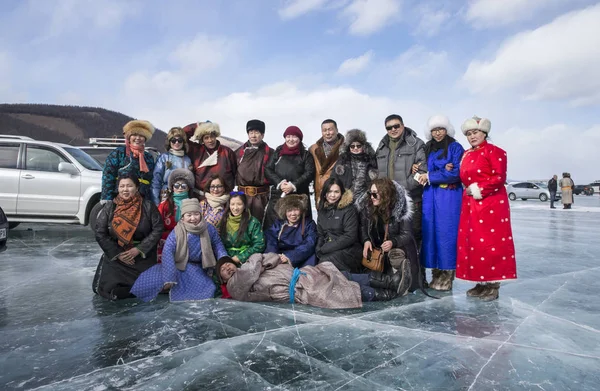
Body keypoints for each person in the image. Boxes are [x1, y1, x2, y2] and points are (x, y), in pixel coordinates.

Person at [456, 116, 517, 301]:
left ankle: (493, 284)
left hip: (491, 203)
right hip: (470, 204)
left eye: (475, 132)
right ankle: (480, 282)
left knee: (491, 243)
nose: (472, 136)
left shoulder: (495, 151)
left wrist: (478, 189)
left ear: (484, 133)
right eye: (468, 134)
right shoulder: (467, 154)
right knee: (474, 243)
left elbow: (499, 177)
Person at [216, 253, 412, 308]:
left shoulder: (247, 268)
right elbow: (253, 268)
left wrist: (260, 260)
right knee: (341, 291)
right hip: (301, 290)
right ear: (224, 280)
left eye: (227, 264)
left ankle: (391, 281)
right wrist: (255, 256)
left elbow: (273, 257)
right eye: (223, 270)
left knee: (342, 275)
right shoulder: (235, 286)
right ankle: (390, 293)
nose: (227, 267)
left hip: (303, 275)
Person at [130, 199, 228, 302]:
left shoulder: (209, 228)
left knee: (208, 289)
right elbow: (168, 251)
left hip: (201, 267)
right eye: (189, 215)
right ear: (183, 217)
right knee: (149, 281)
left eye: (196, 214)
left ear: (201, 214)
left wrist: (224, 261)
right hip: (180, 266)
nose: (193, 218)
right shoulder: (177, 231)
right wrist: (170, 276)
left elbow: (218, 245)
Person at [93, 173, 163, 300]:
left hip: (142, 256)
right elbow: (100, 232)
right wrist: (118, 254)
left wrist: (139, 249)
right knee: (110, 290)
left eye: (129, 186)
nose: (125, 189)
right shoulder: (110, 207)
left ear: (137, 187)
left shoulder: (148, 206)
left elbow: (158, 228)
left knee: (148, 286)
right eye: (122, 186)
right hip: (117, 256)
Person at [418, 116, 464, 291]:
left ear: (447, 130)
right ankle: (435, 272)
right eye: (434, 130)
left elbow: (457, 173)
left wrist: (432, 176)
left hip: (448, 196)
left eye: (440, 129)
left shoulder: (454, 147)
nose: (437, 133)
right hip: (430, 195)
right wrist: (418, 169)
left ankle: (447, 274)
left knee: (446, 233)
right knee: (430, 233)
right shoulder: (428, 148)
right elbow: (423, 170)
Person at [357, 177, 420, 292]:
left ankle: (403, 279)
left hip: (397, 249)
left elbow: (407, 234)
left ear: (385, 193)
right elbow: (363, 227)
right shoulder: (368, 206)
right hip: (378, 250)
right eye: (370, 193)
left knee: (395, 255)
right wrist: (366, 240)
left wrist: (393, 242)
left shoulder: (401, 208)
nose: (371, 197)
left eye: (375, 194)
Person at [263, 126, 316, 229]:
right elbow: (268, 169)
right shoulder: (278, 153)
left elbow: (309, 173)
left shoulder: (305, 155)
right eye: (288, 136)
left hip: (299, 196)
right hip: (278, 195)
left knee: (298, 226)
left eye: (294, 137)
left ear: (300, 139)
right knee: (273, 227)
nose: (291, 139)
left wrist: (294, 185)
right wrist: (279, 183)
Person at [101, 120, 156, 202]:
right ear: (129, 137)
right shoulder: (119, 153)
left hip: (143, 200)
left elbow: (152, 181)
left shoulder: (148, 157)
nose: (137, 138)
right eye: (134, 134)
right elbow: (108, 176)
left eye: (141, 135)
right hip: (121, 199)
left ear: (145, 138)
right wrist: (107, 198)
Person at [316, 178, 362, 272]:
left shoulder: (349, 210)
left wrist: (327, 248)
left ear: (342, 193)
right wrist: (319, 247)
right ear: (324, 193)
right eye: (329, 191)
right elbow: (321, 234)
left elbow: (350, 236)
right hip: (329, 249)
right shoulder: (322, 211)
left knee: (325, 262)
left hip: (349, 250)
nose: (332, 195)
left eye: (336, 192)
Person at [183, 121, 237, 196]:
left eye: (212, 136)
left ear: (215, 136)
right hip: (201, 196)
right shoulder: (196, 151)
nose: (210, 140)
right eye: (206, 138)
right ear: (202, 140)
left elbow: (235, 173)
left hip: (225, 197)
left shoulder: (227, 152)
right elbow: (181, 136)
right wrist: (198, 125)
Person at [235, 119, 273, 224]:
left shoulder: (271, 153)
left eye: (257, 132)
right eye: (251, 132)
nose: (253, 135)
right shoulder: (239, 153)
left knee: (260, 224)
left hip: (262, 197)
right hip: (242, 195)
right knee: (241, 224)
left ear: (263, 135)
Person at [264, 194, 318, 268]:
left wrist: (289, 256)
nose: (293, 214)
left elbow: (310, 243)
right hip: (281, 256)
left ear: (301, 210)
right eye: (289, 210)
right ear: (285, 212)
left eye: (296, 210)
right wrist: (275, 255)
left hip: (300, 256)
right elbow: (271, 238)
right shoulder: (279, 223)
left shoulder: (309, 224)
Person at [331, 129, 378, 205]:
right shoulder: (343, 160)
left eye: (358, 146)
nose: (355, 148)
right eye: (352, 146)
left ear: (363, 146)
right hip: (345, 198)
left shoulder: (370, 160)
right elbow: (333, 178)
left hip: (366, 199)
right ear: (348, 147)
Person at [156, 168, 194, 262]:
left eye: (183, 186)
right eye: (177, 185)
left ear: (188, 188)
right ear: (172, 188)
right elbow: (157, 223)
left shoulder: (193, 203)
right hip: (166, 239)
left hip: (187, 239)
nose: (180, 188)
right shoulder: (164, 204)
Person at [219, 192, 266, 264]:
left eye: (239, 204)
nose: (235, 208)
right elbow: (217, 242)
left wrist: (241, 257)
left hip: (246, 259)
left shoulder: (253, 222)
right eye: (232, 204)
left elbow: (259, 244)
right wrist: (223, 256)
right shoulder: (223, 220)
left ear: (244, 205)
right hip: (225, 258)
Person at [151, 127, 192, 205]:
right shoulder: (164, 157)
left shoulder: (188, 160)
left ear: (183, 142)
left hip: (183, 197)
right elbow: (156, 181)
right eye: (173, 140)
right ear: (169, 142)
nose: (176, 142)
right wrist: (156, 203)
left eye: (180, 140)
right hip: (166, 196)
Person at [309, 119, 344, 207]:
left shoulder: (346, 148)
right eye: (324, 130)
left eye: (330, 129)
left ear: (337, 130)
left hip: (339, 192)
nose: (327, 133)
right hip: (321, 192)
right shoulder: (313, 149)